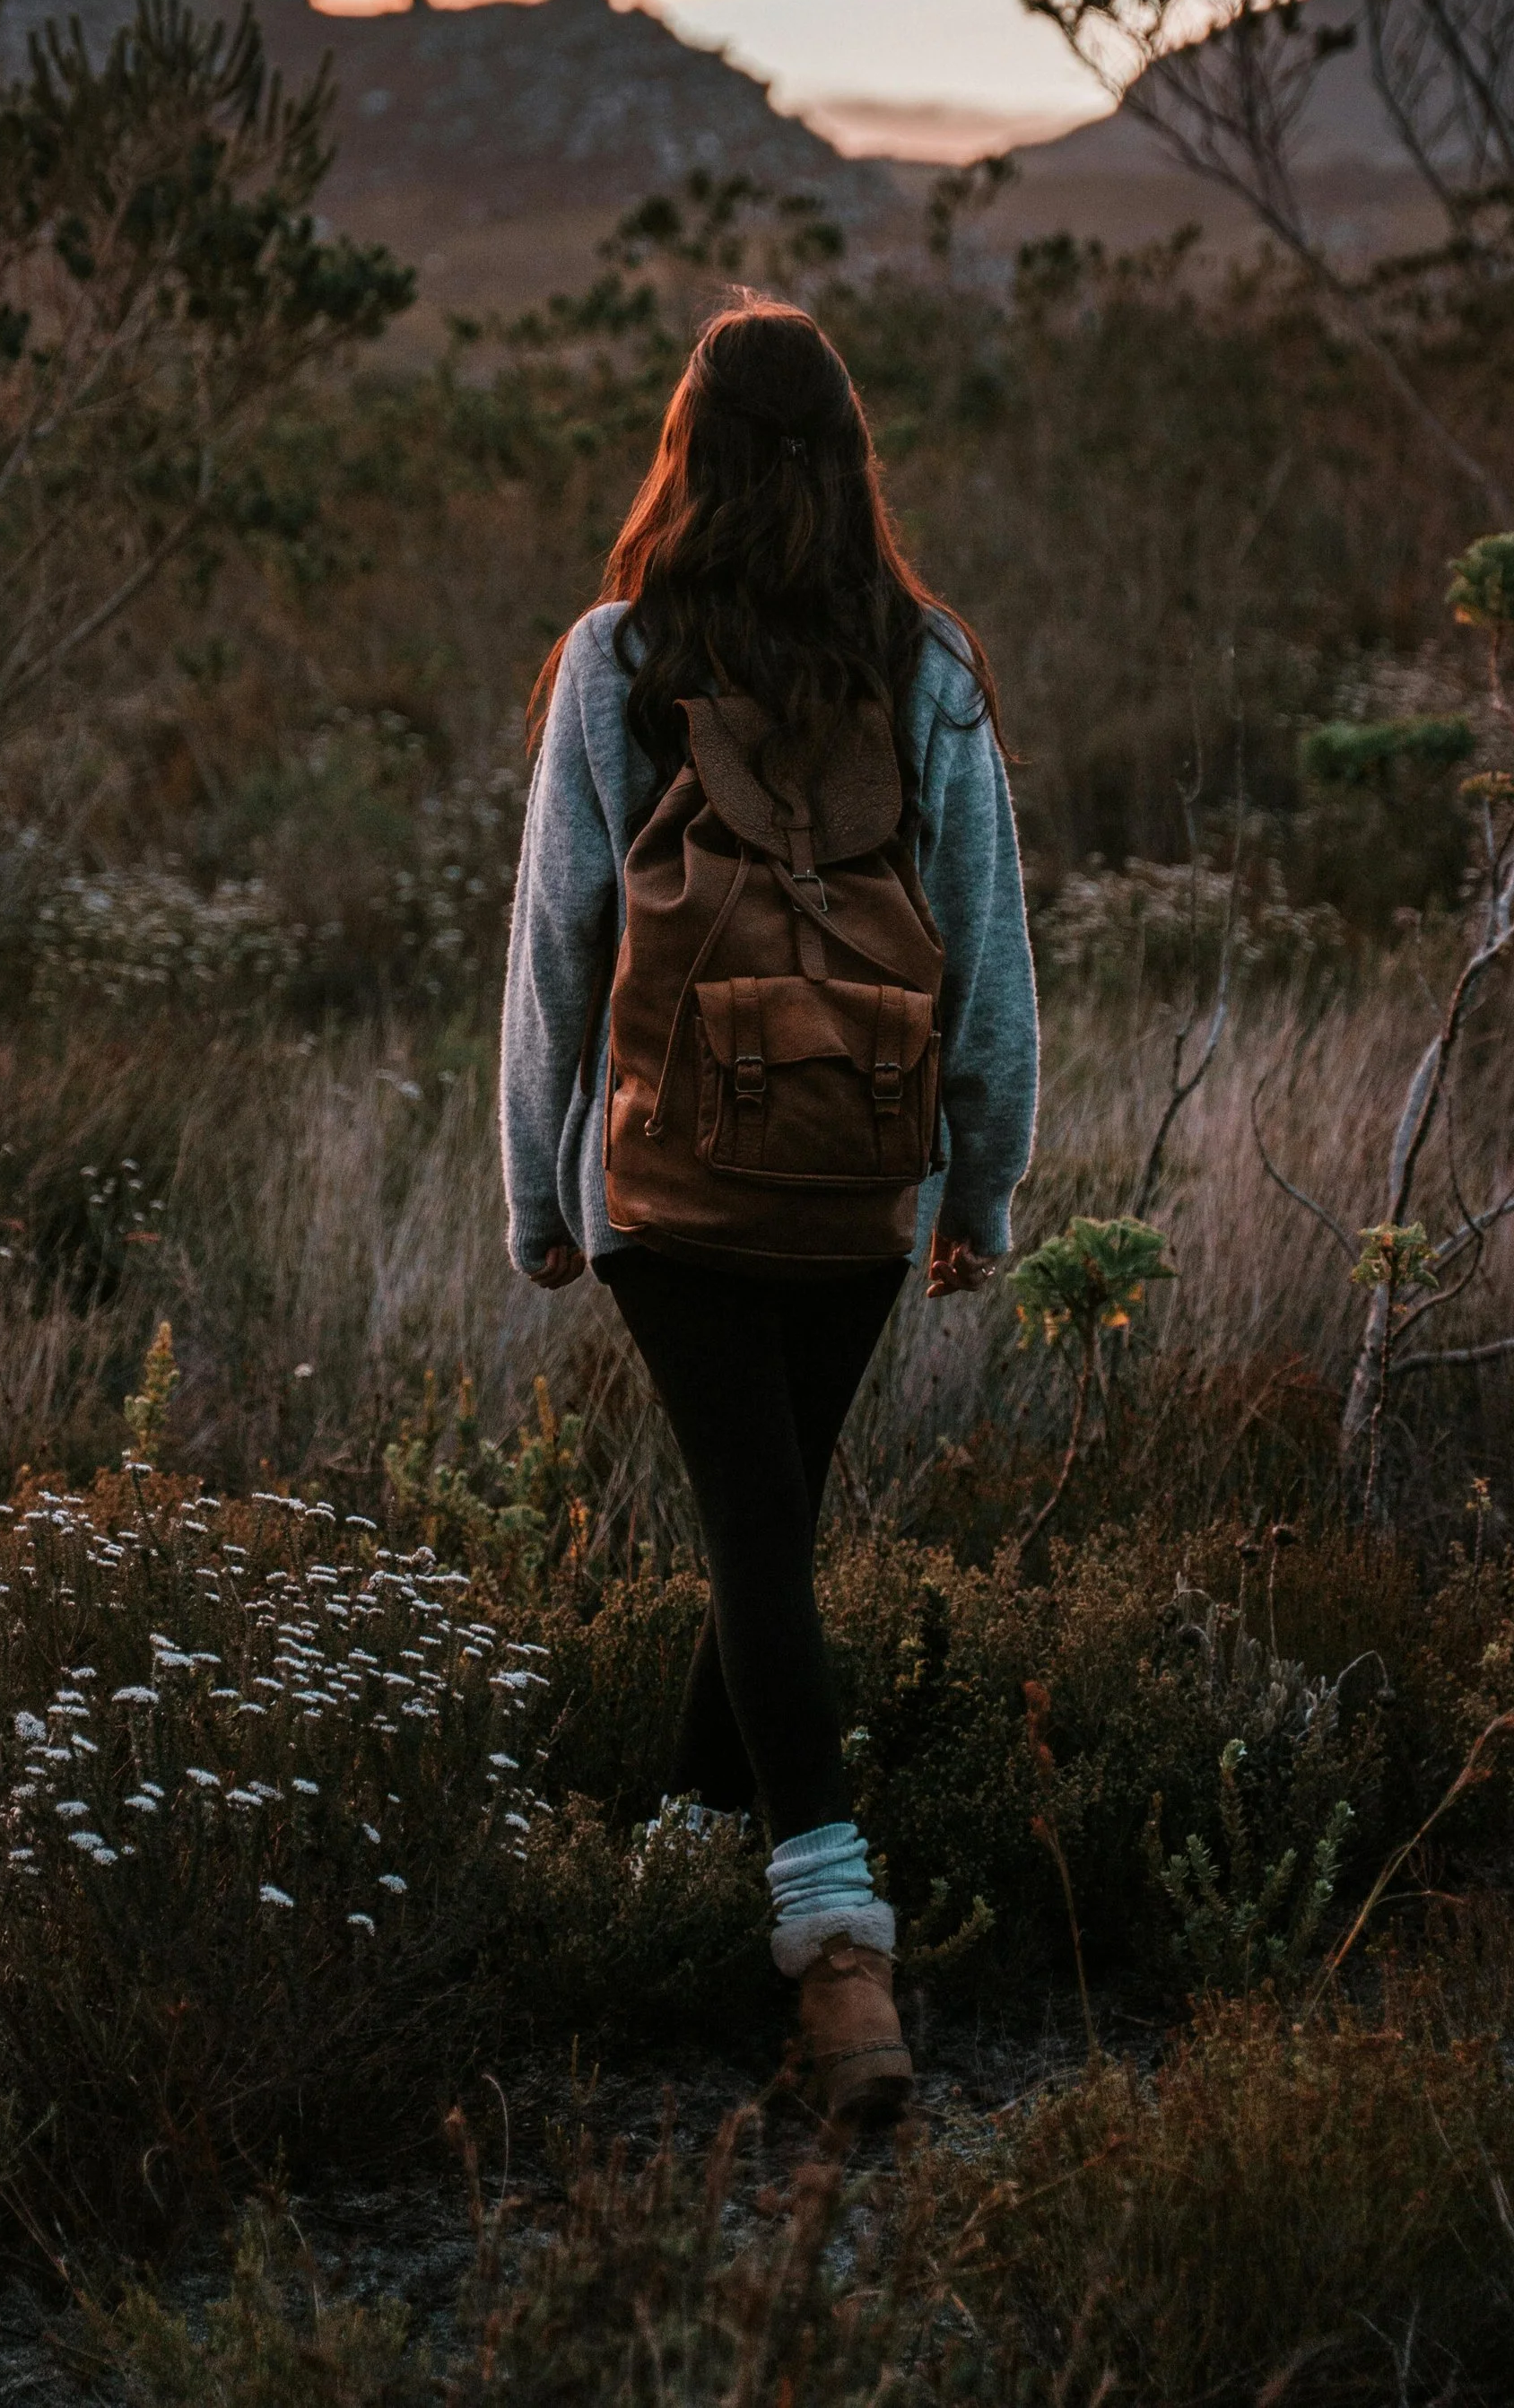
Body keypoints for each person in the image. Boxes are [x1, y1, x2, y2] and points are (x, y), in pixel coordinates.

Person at [499, 299, 1039, 2124]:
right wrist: (979, 1180)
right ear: (852, 459)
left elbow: (558, 942)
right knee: (766, 1518)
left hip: (667, 1182)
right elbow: (983, 954)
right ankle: (675, 1837)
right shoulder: (924, 662)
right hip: (855, 1183)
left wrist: (537, 1192)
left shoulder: (613, 657)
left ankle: (833, 1949)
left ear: (684, 453)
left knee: (757, 1533)